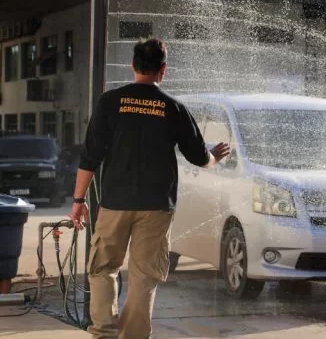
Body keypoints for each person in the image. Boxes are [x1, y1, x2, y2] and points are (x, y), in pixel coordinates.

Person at [67, 38, 230, 339]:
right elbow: (200, 157)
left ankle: (103, 333)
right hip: (156, 208)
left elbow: (89, 157)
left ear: (133, 66)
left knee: (102, 269)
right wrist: (216, 158)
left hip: (115, 204)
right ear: (163, 69)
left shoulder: (110, 102)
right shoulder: (173, 108)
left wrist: (78, 200)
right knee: (144, 278)